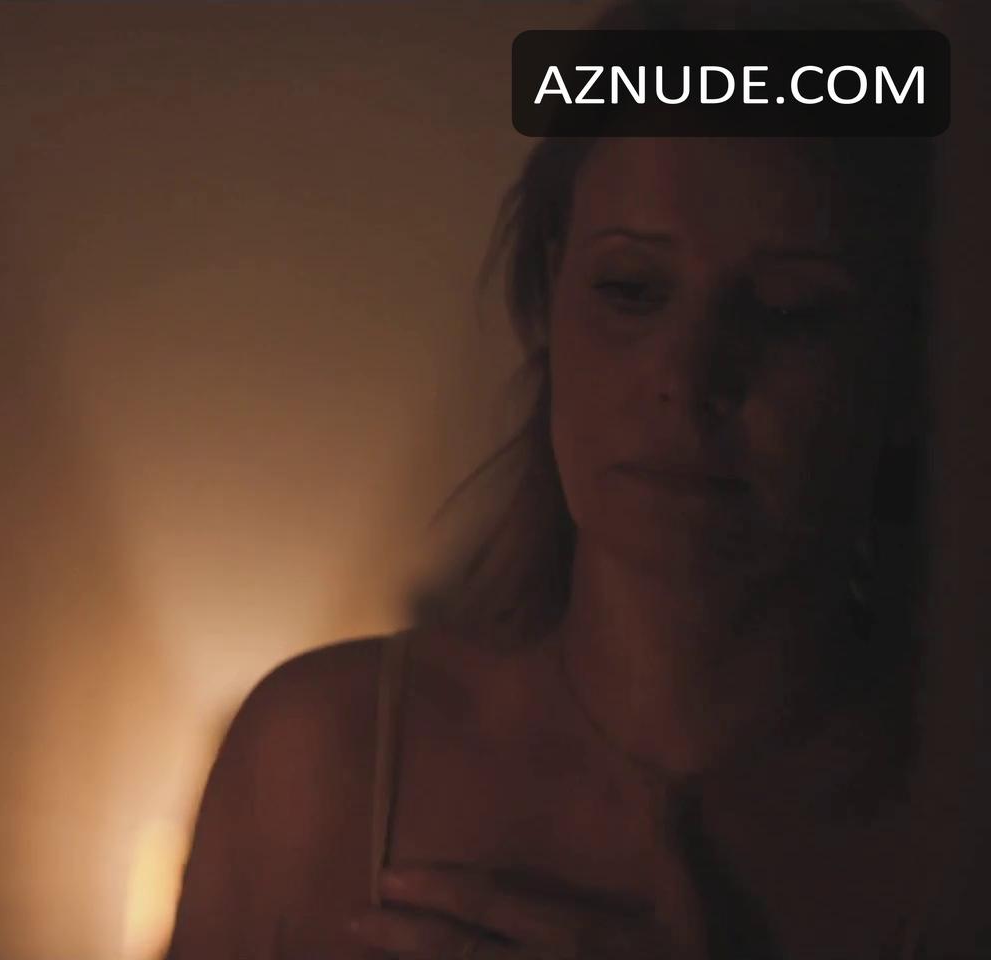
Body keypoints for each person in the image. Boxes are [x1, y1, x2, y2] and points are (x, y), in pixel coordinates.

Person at [163, 3, 962, 958]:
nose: (687, 376)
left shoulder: (953, 832)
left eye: (791, 310)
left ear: (910, 359)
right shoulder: (317, 759)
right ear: (549, 299)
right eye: (631, 289)